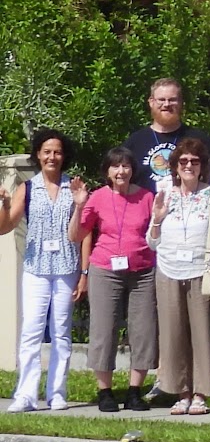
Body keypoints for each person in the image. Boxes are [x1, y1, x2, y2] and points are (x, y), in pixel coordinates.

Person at [71, 146, 157, 412]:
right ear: (107, 171)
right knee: (103, 329)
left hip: (142, 271)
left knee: (143, 331)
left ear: (133, 170)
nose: (121, 171)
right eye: (116, 166)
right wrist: (79, 206)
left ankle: (134, 391)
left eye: (126, 166)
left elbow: (157, 233)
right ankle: (105, 391)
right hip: (105, 269)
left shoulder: (147, 197)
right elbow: (76, 235)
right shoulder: (96, 197)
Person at [145, 137, 210, 415]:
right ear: (175, 166)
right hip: (168, 270)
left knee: (202, 334)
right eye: (183, 161)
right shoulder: (164, 193)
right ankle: (181, 392)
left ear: (202, 166)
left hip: (201, 270)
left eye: (194, 161)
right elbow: (152, 241)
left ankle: (201, 393)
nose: (189, 165)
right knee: (172, 334)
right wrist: (157, 218)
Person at [3, 130, 81, 413]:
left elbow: (83, 232)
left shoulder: (73, 188)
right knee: (31, 332)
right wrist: (3, 204)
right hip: (36, 267)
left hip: (65, 268)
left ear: (64, 156)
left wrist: (83, 273)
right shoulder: (27, 188)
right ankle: (25, 394)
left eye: (57, 152)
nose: (52, 157)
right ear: (38, 154)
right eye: (47, 151)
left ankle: (57, 393)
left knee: (61, 333)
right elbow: (5, 226)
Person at [124, 78, 210, 193]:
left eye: (172, 100)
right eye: (161, 99)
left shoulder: (200, 140)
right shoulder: (135, 142)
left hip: (190, 208)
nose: (166, 104)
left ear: (181, 102)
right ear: (151, 102)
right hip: (146, 209)